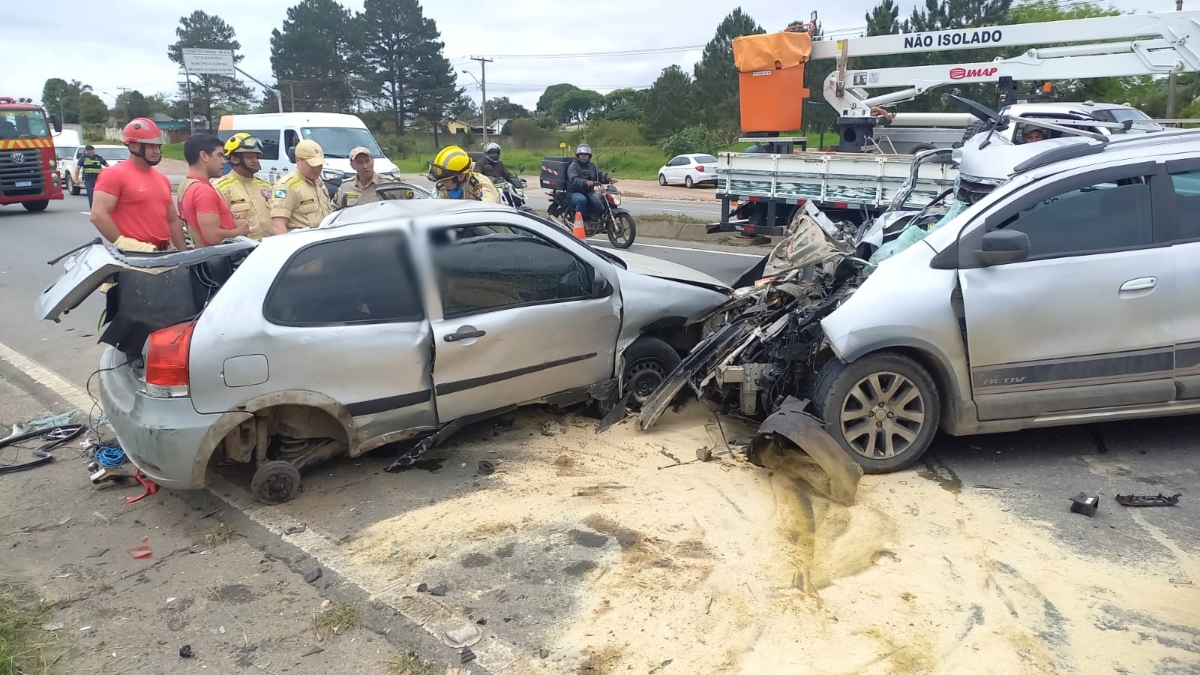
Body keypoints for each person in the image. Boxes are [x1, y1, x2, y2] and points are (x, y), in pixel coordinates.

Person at [90, 118, 187, 252]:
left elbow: (172, 221)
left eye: (158, 146)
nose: (157, 151)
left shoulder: (162, 179)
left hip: (164, 254)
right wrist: (126, 244)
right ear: (133, 145)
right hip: (135, 257)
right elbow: (98, 215)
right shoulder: (113, 174)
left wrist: (184, 254)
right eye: (151, 146)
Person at [177, 134, 249, 248]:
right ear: (204, 156)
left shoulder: (186, 185)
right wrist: (240, 231)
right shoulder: (203, 191)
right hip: (215, 259)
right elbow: (213, 237)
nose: (224, 161)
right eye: (219, 155)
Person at [215, 133, 274, 240]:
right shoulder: (220, 188)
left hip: (269, 247)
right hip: (242, 251)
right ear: (234, 159)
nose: (255, 160)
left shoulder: (266, 186)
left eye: (257, 156)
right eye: (249, 157)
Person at [270, 138, 332, 233]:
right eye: (312, 165)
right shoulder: (286, 186)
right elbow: (278, 226)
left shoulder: (319, 184)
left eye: (320, 164)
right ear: (298, 160)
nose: (317, 169)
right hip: (303, 244)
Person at [428, 145, 501, 203]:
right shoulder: (443, 187)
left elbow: (487, 212)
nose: (441, 182)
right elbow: (432, 208)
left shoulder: (480, 186)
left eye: (445, 179)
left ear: (461, 176)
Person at [566, 144, 611, 220]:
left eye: (586, 154)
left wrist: (608, 179)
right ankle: (580, 221)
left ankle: (597, 218)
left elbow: (599, 175)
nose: (584, 156)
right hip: (573, 192)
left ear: (589, 155)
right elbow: (573, 179)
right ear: (578, 155)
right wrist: (586, 182)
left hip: (588, 192)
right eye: (581, 154)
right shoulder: (573, 166)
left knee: (602, 198)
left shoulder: (592, 166)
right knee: (582, 200)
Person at [73, 145, 108, 209]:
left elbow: (107, 166)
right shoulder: (83, 158)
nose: (90, 152)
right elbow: (77, 168)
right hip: (88, 179)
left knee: (100, 195)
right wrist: (76, 179)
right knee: (91, 195)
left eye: (91, 150)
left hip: (98, 179)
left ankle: (100, 208)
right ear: (86, 151)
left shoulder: (98, 158)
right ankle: (93, 209)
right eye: (88, 150)